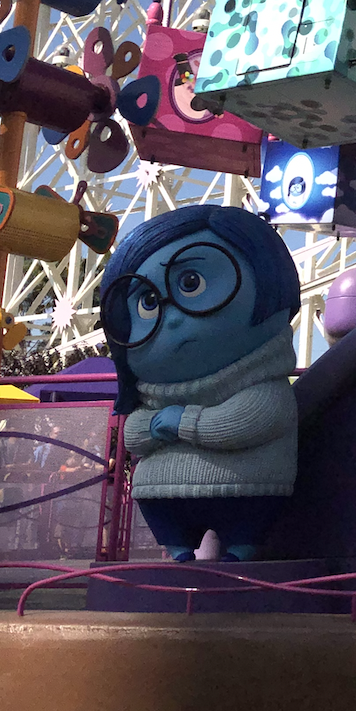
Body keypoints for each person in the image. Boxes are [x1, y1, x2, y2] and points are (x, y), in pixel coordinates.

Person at [100, 206, 301, 562]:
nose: (172, 319)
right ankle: (180, 553)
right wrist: (157, 425)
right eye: (148, 302)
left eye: (191, 283)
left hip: (249, 488)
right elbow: (133, 434)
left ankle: (239, 554)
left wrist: (180, 422)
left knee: (247, 529)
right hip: (161, 496)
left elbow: (251, 419)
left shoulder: (265, 390)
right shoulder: (152, 399)